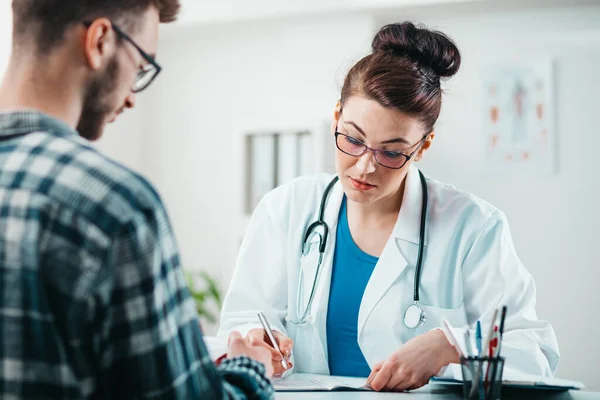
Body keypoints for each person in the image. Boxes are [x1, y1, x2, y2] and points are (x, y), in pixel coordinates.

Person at [217, 21, 559, 392]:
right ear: (337, 117)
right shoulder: (285, 209)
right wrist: (256, 338)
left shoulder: (473, 227)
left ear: (423, 146)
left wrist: (450, 347)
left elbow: (535, 356)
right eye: (352, 138)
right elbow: (242, 319)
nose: (365, 165)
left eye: (392, 151)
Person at [0, 0, 274, 398]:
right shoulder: (113, 206)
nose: (131, 97)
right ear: (99, 41)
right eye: (141, 67)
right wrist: (250, 369)